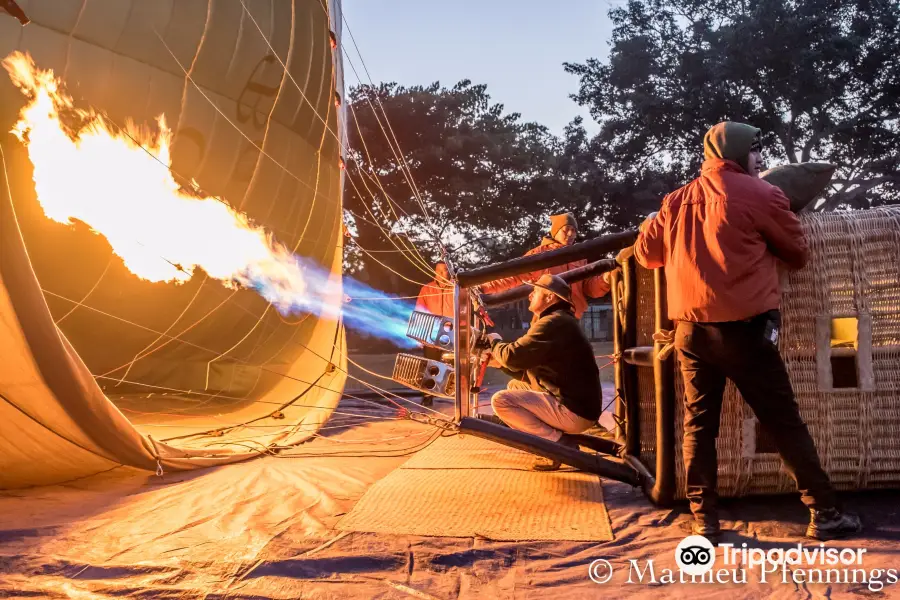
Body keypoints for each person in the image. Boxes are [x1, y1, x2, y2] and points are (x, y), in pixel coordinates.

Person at [633, 121, 862, 540]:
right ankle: (824, 513)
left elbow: (646, 255)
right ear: (737, 154)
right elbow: (796, 253)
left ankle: (704, 520)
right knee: (783, 423)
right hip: (746, 334)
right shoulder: (764, 194)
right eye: (755, 150)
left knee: (698, 428)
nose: (760, 159)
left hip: (691, 334)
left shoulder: (675, 201)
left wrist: (654, 220)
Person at [486, 274, 602, 471]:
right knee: (515, 387)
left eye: (536, 291)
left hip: (575, 412)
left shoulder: (553, 323)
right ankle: (555, 439)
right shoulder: (559, 321)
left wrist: (494, 341)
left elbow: (512, 356)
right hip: (578, 406)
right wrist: (498, 364)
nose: (530, 295)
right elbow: (532, 373)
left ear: (550, 297)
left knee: (501, 401)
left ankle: (557, 444)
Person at [479, 213, 610, 320]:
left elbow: (588, 288)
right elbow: (512, 277)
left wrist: (606, 280)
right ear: (555, 231)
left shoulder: (579, 257)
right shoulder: (539, 255)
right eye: (566, 230)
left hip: (573, 319)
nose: (570, 234)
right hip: (546, 318)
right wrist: (481, 288)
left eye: (574, 231)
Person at [414, 261, 453, 406]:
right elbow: (419, 311)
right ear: (435, 272)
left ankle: (455, 396)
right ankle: (428, 395)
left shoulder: (456, 289)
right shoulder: (427, 289)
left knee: (455, 365)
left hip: (452, 333)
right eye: (441, 271)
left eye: (447, 271)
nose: (445, 274)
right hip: (432, 333)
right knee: (431, 365)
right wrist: (420, 335)